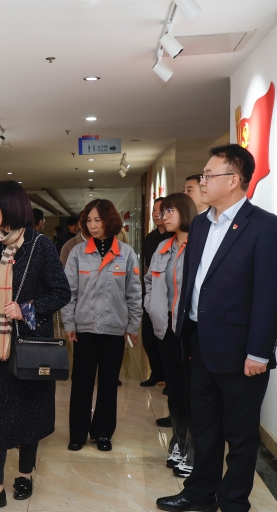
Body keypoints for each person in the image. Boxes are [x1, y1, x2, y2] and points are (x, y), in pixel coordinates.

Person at [156, 145, 277, 512]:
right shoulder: (200, 224)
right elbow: (196, 282)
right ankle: (200, 491)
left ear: (233, 180)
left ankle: (233, 506)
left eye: (208, 175)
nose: (202, 181)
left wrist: (259, 351)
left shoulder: (264, 227)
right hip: (199, 342)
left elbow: (270, 295)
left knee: (241, 432)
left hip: (241, 350)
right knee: (205, 424)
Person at [0, 181, 71, 512]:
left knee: (29, 412)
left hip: (28, 346)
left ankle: (25, 474)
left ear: (11, 206)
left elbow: (61, 292)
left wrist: (27, 309)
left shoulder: (40, 246)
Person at [61, 199, 142, 452]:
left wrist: (134, 326)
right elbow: (69, 293)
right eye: (89, 221)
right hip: (84, 329)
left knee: (108, 383)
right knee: (81, 382)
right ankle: (78, 433)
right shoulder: (78, 253)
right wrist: (68, 323)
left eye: (98, 220)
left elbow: (134, 293)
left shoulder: (126, 253)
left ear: (110, 221)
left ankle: (103, 433)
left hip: (114, 329)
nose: (92, 225)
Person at [144, 192, 198, 478]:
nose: (162, 217)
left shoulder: (199, 246)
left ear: (185, 212)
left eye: (168, 212)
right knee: (175, 390)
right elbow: (149, 283)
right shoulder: (163, 247)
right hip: (165, 328)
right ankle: (178, 439)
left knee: (192, 392)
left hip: (189, 329)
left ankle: (193, 447)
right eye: (161, 212)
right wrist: (151, 308)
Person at [140, 197, 172, 392]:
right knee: (148, 337)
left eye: (161, 210)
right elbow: (148, 269)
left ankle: (169, 378)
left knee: (166, 340)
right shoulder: (150, 239)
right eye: (154, 210)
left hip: (168, 298)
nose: (157, 214)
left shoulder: (173, 238)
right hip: (151, 296)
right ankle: (156, 372)